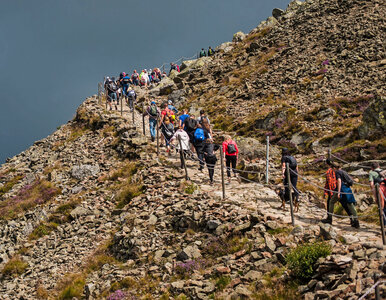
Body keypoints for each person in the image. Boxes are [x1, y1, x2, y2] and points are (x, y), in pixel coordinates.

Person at [322, 162, 360, 228]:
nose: (332, 170)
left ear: (334, 168)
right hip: (347, 189)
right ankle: (356, 221)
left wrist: (339, 192)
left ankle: (329, 218)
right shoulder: (344, 171)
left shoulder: (337, 172)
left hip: (341, 189)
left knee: (331, 202)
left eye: (332, 169)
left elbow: (339, 181)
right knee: (350, 204)